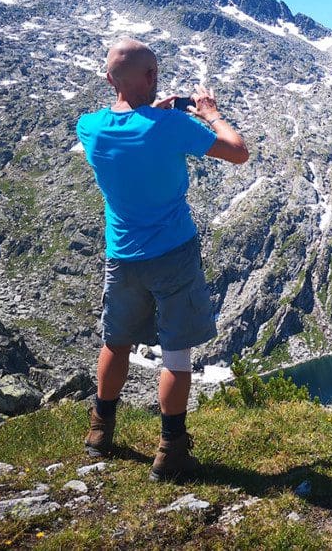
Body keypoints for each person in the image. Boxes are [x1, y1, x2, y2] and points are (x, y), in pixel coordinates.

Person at [75, 37, 248, 481]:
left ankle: (99, 433)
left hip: (121, 255)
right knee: (176, 352)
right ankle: (170, 451)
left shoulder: (89, 127)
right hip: (172, 254)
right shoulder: (171, 128)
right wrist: (210, 114)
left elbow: (131, 124)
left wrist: (153, 110)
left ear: (109, 78)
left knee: (115, 341)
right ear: (151, 77)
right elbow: (238, 151)